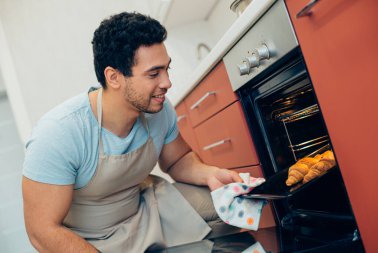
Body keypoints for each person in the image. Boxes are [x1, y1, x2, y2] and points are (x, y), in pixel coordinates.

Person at [22, 11, 243, 253]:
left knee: (230, 209)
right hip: (91, 240)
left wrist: (210, 174)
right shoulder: (59, 133)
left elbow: (178, 160)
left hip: (145, 210)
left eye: (167, 69)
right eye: (153, 73)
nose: (167, 82)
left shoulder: (158, 109)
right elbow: (42, 231)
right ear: (114, 77)